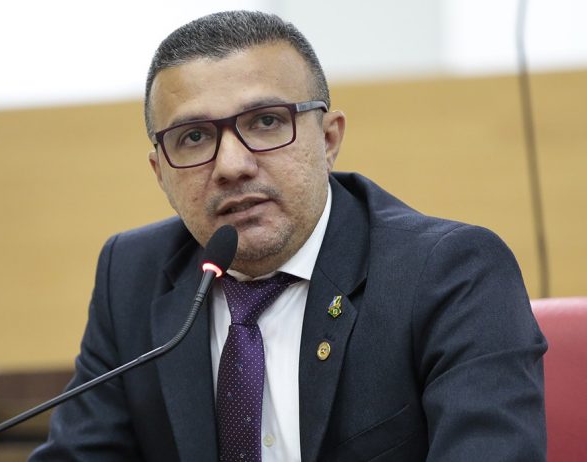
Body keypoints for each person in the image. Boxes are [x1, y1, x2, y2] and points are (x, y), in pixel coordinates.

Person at [30, 10, 547, 462]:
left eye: (266, 122)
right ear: (160, 173)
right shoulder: (132, 276)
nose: (231, 165)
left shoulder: (450, 273)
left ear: (328, 139)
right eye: (194, 137)